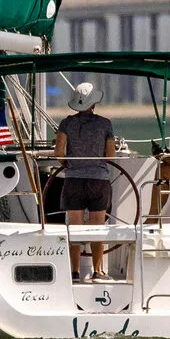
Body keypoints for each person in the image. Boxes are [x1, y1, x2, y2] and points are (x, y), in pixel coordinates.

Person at [51, 81, 116, 282]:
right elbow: (110, 156)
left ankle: (75, 272)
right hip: (98, 181)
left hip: (73, 181)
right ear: (94, 103)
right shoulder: (105, 124)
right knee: (97, 227)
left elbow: (59, 152)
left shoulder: (66, 123)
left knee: (75, 228)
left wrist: (70, 165)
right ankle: (98, 271)